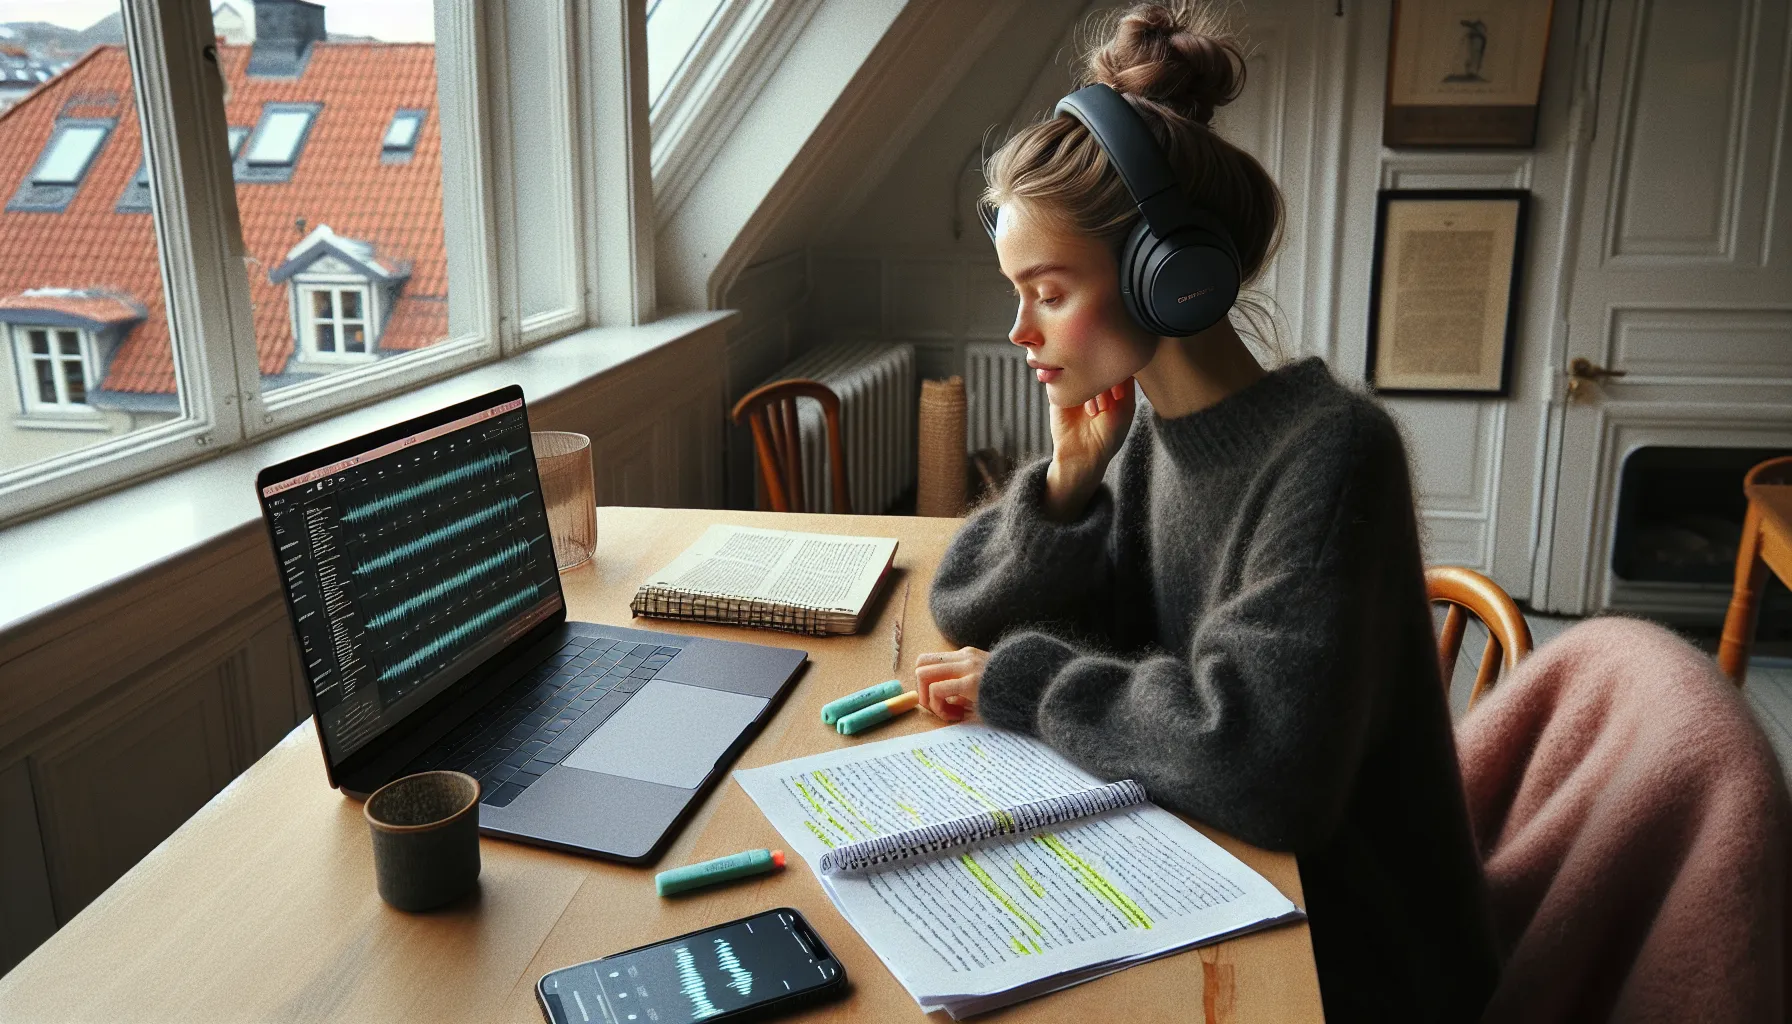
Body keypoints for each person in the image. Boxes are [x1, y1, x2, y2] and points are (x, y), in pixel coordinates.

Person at [916, 4, 1499, 1020]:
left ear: (1169, 276)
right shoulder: (1151, 444)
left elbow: (1264, 763)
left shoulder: (1332, 455)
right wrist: (1066, 483)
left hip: (1357, 950)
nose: (1018, 331)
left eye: (1047, 291)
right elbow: (967, 609)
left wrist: (1025, 680)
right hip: (1215, 869)